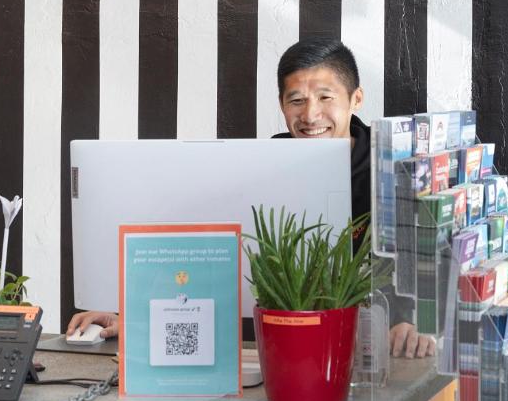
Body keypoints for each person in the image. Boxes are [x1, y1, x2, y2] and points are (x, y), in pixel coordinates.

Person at [68, 38, 434, 359]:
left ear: (356, 98)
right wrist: (134, 312)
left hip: (378, 349)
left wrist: (416, 322)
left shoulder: (396, 165)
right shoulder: (264, 162)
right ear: (281, 104)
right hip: (278, 346)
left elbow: (431, 256)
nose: (310, 115)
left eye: (325, 97)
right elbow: (214, 254)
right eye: (297, 100)